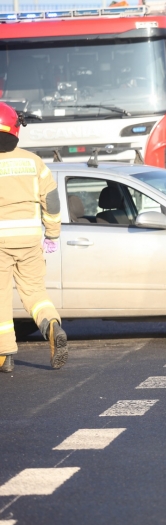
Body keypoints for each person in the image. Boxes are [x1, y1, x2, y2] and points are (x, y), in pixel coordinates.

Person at [0, 103, 68, 373]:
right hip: (29, 240)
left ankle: (4, 354)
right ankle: (51, 325)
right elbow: (51, 200)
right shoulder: (33, 162)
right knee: (35, 293)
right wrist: (52, 233)